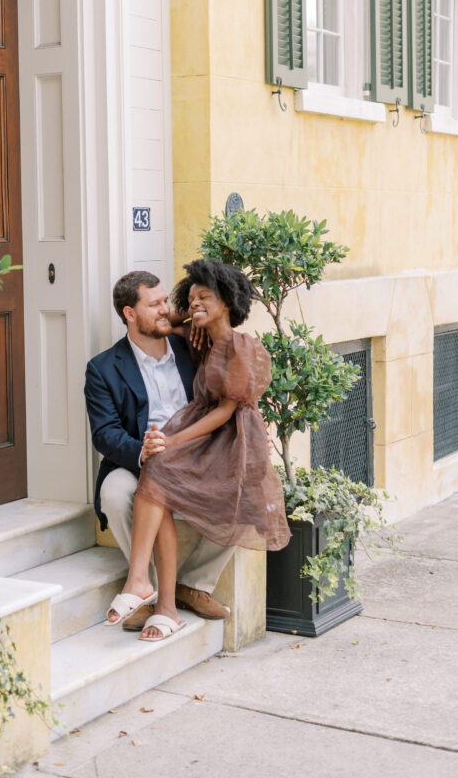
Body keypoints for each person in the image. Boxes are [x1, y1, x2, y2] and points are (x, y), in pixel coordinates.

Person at [105, 259, 291, 641]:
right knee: (155, 471)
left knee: (241, 497)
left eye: (206, 297)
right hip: (196, 430)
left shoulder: (239, 345)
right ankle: (150, 589)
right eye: (189, 299)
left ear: (227, 302)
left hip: (228, 435)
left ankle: (185, 586)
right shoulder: (195, 333)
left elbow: (226, 410)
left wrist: (171, 441)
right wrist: (185, 311)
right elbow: (170, 322)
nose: (193, 306)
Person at [84, 270, 236, 633]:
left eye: (167, 301)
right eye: (154, 305)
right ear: (129, 314)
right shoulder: (103, 368)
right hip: (140, 454)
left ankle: (194, 585)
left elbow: (217, 324)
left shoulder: (190, 346)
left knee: (245, 489)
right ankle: (150, 594)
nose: (166, 310)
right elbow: (104, 434)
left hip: (194, 453)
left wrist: (177, 315)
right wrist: (142, 451)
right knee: (116, 493)